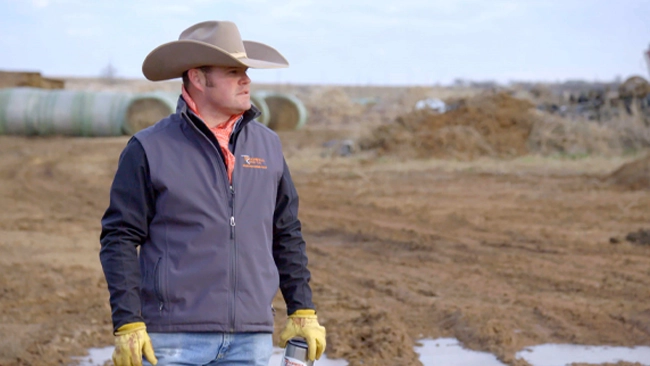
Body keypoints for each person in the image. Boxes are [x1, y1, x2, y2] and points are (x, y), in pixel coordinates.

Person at [99, 20, 326, 366]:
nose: (246, 80)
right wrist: (128, 321)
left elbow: (287, 233)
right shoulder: (148, 148)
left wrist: (302, 309)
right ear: (198, 77)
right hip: (172, 339)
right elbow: (119, 238)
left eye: (246, 71)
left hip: (250, 338)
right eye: (234, 71)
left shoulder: (268, 145)